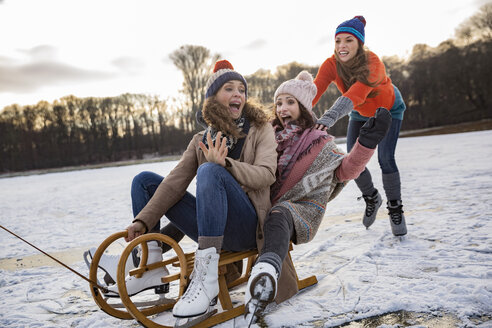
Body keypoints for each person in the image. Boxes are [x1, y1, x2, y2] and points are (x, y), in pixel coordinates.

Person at [88, 59, 278, 321]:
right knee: (144, 180)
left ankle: (206, 280)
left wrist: (227, 165)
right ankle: (150, 263)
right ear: (213, 98)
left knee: (210, 170)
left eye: (241, 90)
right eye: (229, 89)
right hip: (212, 224)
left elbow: (267, 174)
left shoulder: (259, 128)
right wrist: (143, 219)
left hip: (246, 228)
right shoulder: (201, 140)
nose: (238, 94)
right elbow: (174, 182)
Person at [244, 71, 392, 324]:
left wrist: (365, 143)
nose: (282, 108)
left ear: (303, 107)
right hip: (256, 205)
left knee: (280, 213)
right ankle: (159, 250)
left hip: (297, 209)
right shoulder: (263, 135)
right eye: (279, 102)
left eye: (290, 102)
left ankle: (266, 271)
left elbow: (345, 171)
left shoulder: (319, 142)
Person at [312, 16, 407, 236]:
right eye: (338, 41)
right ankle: (372, 196)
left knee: (386, 159)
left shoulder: (373, 63)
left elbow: (357, 93)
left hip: (388, 110)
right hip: (359, 112)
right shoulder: (330, 65)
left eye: (348, 40)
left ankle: (395, 208)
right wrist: (291, 111)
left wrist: (328, 117)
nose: (342, 46)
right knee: (352, 160)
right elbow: (314, 91)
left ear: (359, 44)